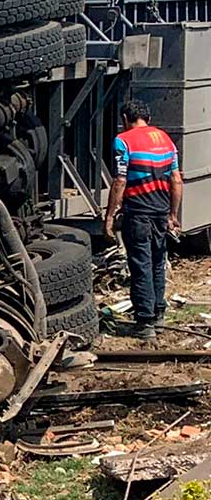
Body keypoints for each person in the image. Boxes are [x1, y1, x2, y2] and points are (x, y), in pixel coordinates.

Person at [104, 98, 183, 340]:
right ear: (148, 118)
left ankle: (145, 322)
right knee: (158, 262)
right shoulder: (166, 140)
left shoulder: (123, 140)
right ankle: (159, 316)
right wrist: (172, 215)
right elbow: (177, 181)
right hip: (160, 213)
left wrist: (109, 217)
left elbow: (120, 180)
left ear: (126, 119)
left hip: (137, 213)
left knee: (141, 265)